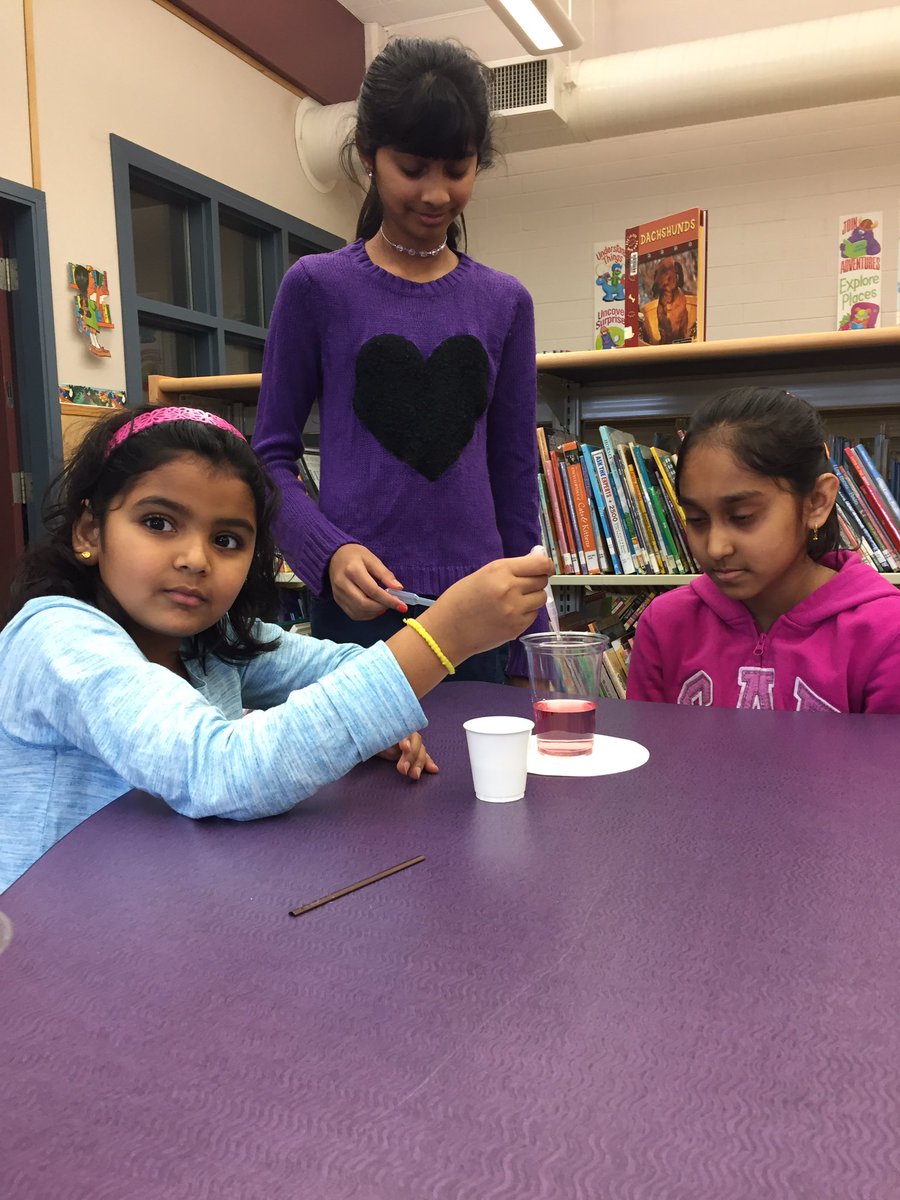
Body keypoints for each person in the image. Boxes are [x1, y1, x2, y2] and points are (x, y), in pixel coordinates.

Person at [0, 406, 552, 891]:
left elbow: (344, 662)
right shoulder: (59, 638)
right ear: (89, 532)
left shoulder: (209, 642)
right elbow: (217, 770)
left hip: (171, 908)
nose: (196, 558)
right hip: (49, 954)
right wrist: (443, 637)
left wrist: (373, 719)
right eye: (159, 522)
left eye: (227, 540)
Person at [252, 36, 545, 684]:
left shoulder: (506, 303)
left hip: (480, 617)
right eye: (413, 168)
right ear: (368, 157)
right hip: (359, 620)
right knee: (368, 788)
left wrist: (533, 633)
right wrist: (326, 556)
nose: (436, 193)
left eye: (458, 168)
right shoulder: (317, 288)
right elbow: (268, 457)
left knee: (482, 786)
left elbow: (515, 473)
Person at [626, 387, 900, 712]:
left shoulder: (886, 635)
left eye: (743, 517)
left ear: (816, 502)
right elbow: (646, 755)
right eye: (697, 519)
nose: (716, 547)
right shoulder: (666, 624)